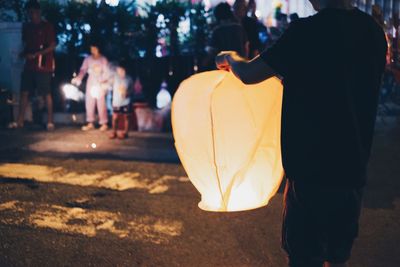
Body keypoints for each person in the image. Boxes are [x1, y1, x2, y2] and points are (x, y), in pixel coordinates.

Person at [216, 0, 387, 266]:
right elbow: (341, 82)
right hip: (352, 170)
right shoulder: (373, 33)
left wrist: (230, 57)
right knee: (337, 256)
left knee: (305, 256)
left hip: (310, 173)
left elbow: (250, 74)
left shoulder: (306, 32)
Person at [9, 0, 56, 130]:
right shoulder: (27, 27)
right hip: (29, 65)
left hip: (44, 65)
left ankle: (50, 121)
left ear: (39, 12)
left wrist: (36, 54)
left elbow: (52, 45)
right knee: (24, 92)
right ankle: (20, 121)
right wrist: (22, 54)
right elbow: (26, 45)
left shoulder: (47, 26)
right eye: (29, 13)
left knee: (46, 93)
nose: (31, 15)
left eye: (34, 12)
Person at [72, 40, 109, 131]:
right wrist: (78, 78)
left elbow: (107, 72)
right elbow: (83, 70)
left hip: (100, 83)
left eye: (95, 49)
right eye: (91, 49)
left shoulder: (103, 59)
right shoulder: (87, 59)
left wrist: (104, 82)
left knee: (101, 104)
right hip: (91, 82)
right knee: (89, 102)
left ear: (99, 49)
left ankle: (103, 122)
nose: (93, 51)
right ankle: (90, 122)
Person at [203, 2, 248, 69]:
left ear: (217, 15)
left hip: (225, 66)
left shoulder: (217, 31)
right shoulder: (239, 28)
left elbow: (212, 51)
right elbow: (246, 47)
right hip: (240, 64)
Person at [108, 61, 132, 139]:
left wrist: (128, 93)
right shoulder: (115, 77)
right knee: (115, 117)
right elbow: (109, 83)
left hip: (126, 102)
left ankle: (125, 132)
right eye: (119, 70)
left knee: (126, 117)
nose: (121, 72)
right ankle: (114, 131)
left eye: (122, 71)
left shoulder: (129, 79)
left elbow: (132, 89)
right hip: (116, 102)